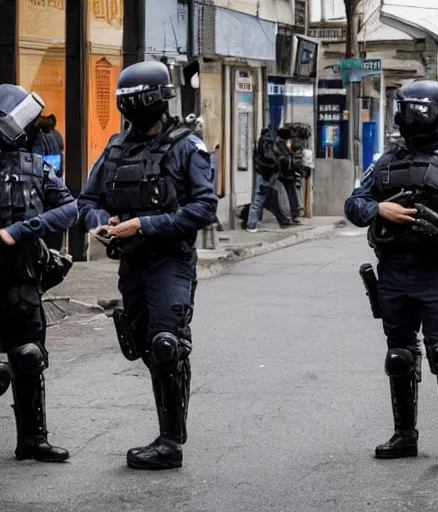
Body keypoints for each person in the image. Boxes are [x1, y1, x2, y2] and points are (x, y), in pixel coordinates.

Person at [78, 61, 218, 470]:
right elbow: (88, 201)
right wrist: (101, 225)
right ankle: (173, 399)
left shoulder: (186, 147)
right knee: (142, 346)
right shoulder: (116, 148)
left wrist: (147, 223)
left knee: (164, 343)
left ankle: (170, 442)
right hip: (132, 263)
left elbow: (205, 207)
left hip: (171, 261)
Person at [345, 80, 438, 469]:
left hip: (436, 271)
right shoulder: (387, 161)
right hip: (392, 271)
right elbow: (354, 204)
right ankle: (405, 435)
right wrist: (380, 211)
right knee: (398, 355)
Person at [0, 84, 78, 462]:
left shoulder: (35, 167)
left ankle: (32, 439)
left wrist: (21, 231)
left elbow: (69, 210)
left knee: (29, 356)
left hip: (24, 278)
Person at [245, 127, 292, 232]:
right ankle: (283, 219)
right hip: (271, 176)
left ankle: (251, 224)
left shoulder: (263, 144)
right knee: (273, 199)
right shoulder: (273, 145)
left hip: (262, 174)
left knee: (258, 199)